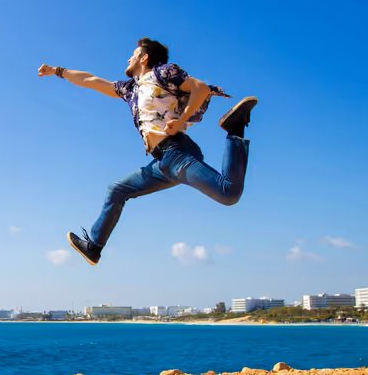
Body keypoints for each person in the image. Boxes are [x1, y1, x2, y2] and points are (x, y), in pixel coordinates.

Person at [37, 37, 258, 266]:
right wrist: (57, 71)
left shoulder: (163, 73)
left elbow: (200, 88)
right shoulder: (131, 89)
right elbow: (91, 80)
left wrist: (181, 119)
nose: (128, 58)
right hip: (161, 164)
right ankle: (94, 248)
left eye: (133, 54)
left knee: (229, 193)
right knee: (117, 190)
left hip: (178, 153)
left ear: (144, 58)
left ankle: (235, 130)